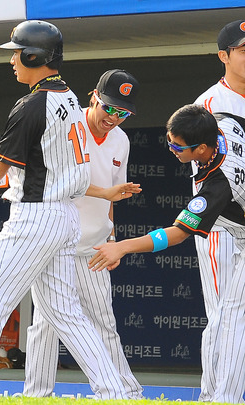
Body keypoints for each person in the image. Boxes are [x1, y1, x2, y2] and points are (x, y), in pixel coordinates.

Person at [0, 20, 141, 399]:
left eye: (18, 53)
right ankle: (114, 392)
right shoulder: (69, 98)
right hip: (65, 216)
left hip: (36, 216)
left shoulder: (33, 104)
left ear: (35, 56)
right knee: (66, 313)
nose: (13, 60)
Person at [89, 104, 245, 403]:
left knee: (232, 318)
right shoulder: (223, 122)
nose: (171, 149)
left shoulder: (218, 183)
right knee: (229, 316)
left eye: (177, 146)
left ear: (201, 149)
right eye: (169, 140)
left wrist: (122, 246)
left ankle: (225, 399)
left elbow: (178, 233)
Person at [23, 69, 144, 398]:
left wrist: (112, 238)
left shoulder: (121, 140)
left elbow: (114, 195)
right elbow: (54, 179)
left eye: (123, 113)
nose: (113, 118)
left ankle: (126, 393)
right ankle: (37, 395)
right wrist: (104, 192)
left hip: (93, 245)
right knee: (46, 324)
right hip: (54, 240)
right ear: (94, 97)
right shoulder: (66, 124)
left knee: (103, 321)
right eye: (109, 108)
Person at [192, 19, 245, 402]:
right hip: (221, 223)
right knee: (226, 314)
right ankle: (216, 397)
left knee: (234, 316)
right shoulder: (209, 105)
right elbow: (213, 179)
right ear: (223, 56)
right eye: (243, 50)